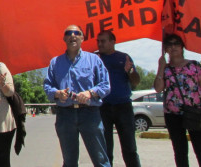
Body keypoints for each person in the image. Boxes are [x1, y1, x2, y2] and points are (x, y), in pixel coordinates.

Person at [43, 25, 111, 167]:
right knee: (69, 161)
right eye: (68, 33)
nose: (72, 35)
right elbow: (47, 86)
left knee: (100, 160)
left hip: (90, 114)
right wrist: (57, 93)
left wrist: (90, 93)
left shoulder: (94, 60)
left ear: (82, 37)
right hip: (65, 115)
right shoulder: (55, 62)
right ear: (64, 38)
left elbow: (105, 85)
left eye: (76, 33)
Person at [154, 33, 201, 167]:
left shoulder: (194, 66)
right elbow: (158, 89)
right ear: (165, 49)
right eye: (169, 44)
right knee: (180, 150)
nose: (173, 47)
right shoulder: (165, 68)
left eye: (176, 43)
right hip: (173, 114)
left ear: (182, 46)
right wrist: (161, 67)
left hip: (195, 112)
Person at [96, 31, 142, 167]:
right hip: (103, 107)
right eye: (98, 41)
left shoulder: (124, 57)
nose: (99, 44)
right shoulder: (95, 58)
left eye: (103, 41)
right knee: (105, 149)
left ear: (112, 42)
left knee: (130, 148)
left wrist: (130, 71)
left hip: (123, 107)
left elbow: (136, 81)